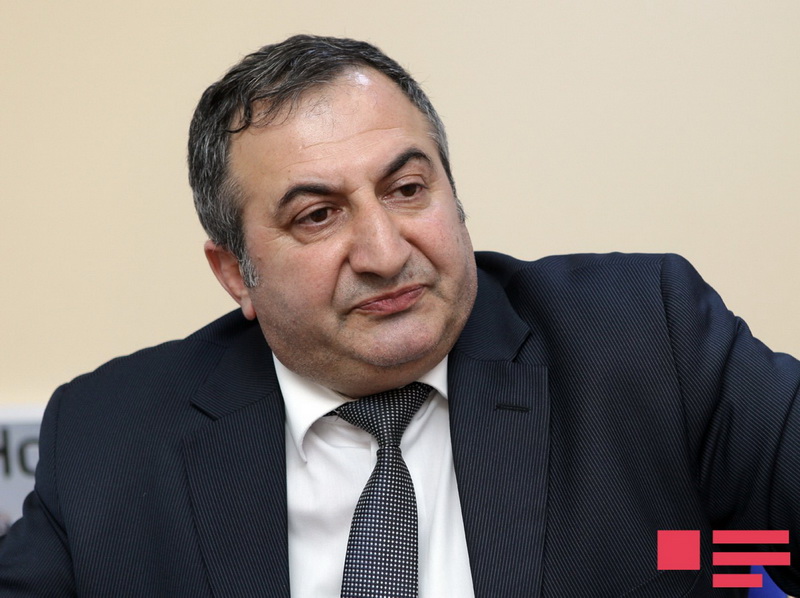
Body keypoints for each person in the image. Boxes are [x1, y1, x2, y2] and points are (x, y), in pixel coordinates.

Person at [0, 34, 797, 598]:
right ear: (235, 272)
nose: (385, 252)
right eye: (317, 216)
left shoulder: (642, 340)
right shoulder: (110, 439)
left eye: (407, 189)